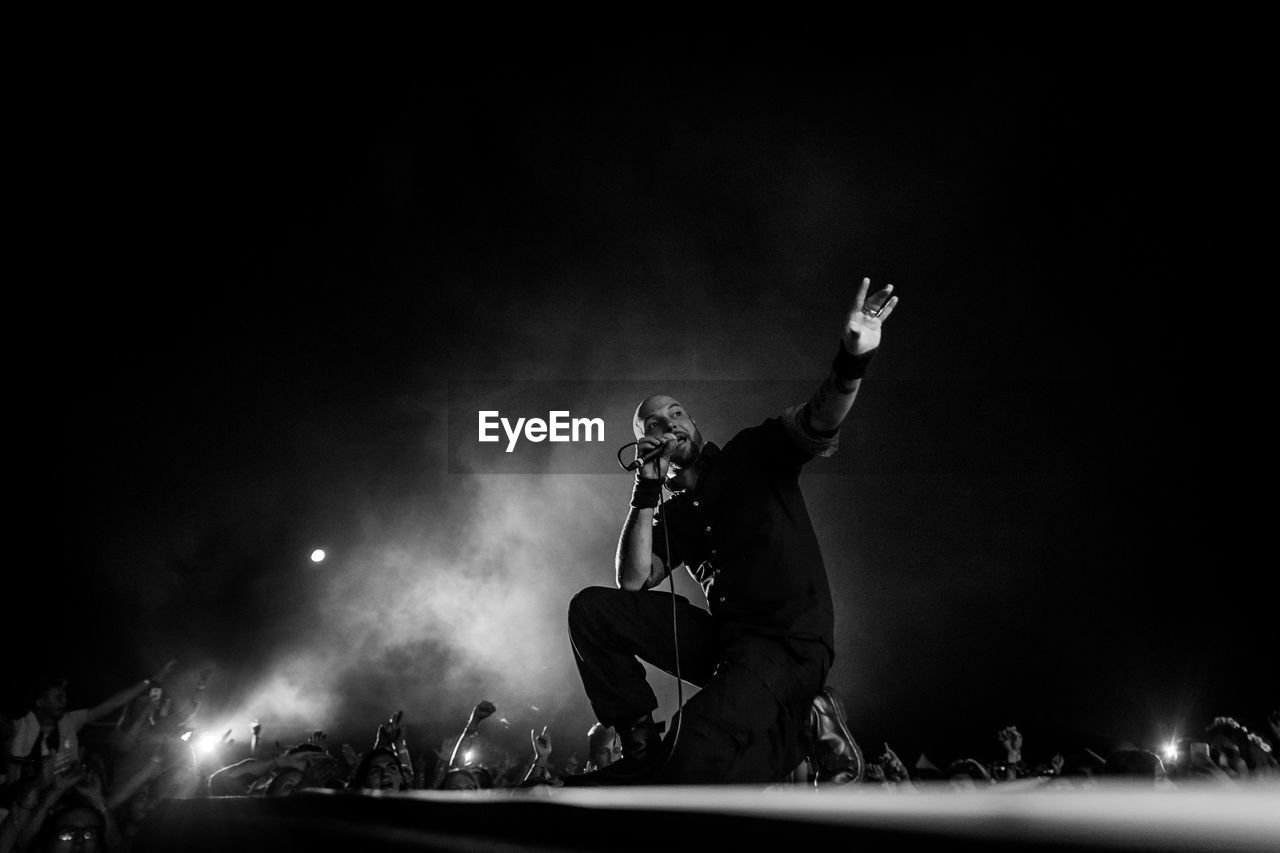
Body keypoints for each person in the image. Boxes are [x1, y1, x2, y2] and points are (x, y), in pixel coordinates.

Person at [566, 277, 899, 785]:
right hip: (730, 644)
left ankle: (799, 731)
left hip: (788, 643)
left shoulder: (752, 454)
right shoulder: (669, 512)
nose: (668, 423)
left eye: (676, 412)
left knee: (696, 748)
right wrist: (645, 492)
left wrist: (854, 357)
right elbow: (631, 584)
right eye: (653, 423)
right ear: (644, 442)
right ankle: (639, 749)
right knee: (591, 610)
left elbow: (818, 420)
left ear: (694, 424)